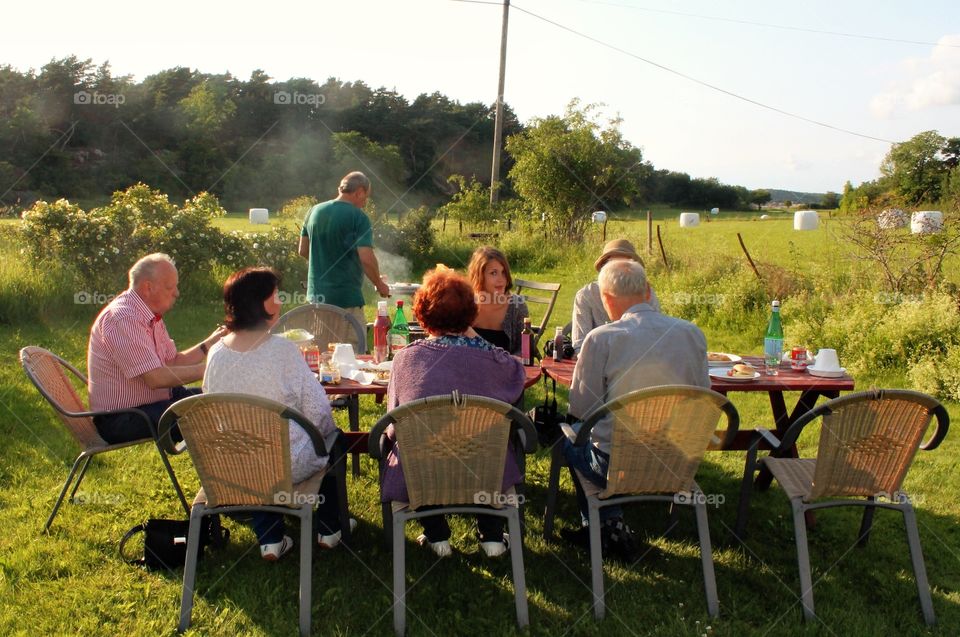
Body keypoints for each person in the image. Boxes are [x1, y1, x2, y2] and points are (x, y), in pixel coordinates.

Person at [563, 259, 708, 558]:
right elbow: (703, 396)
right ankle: (610, 525)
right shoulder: (692, 333)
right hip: (677, 461)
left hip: (616, 466)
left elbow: (582, 409)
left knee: (567, 438)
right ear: (647, 291)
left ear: (606, 299)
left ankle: (602, 526)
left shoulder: (602, 338)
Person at [203, 267, 350, 561]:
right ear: (261, 304)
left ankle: (270, 538)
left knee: (256, 454)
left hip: (231, 463)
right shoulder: (282, 351)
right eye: (275, 295)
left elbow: (211, 410)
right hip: (283, 464)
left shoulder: (216, 354)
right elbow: (317, 410)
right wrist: (325, 436)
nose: (281, 301)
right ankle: (329, 528)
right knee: (337, 440)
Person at [383, 268, 527, 558]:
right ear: (471, 314)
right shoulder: (494, 360)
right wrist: (470, 331)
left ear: (423, 315)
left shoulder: (405, 359)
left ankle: (437, 537)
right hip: (485, 468)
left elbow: (393, 422)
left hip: (423, 473)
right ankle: (493, 538)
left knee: (416, 446)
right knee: (485, 444)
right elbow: (518, 373)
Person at [88, 253, 225, 444]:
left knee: (228, 396)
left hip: (153, 403)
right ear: (147, 288)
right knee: (216, 414)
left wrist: (208, 344)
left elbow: (172, 362)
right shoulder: (123, 318)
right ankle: (225, 470)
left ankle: (234, 469)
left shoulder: (148, 314)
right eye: (170, 287)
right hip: (123, 417)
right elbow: (156, 377)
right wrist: (218, 366)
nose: (176, 293)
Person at [298, 171, 391, 336]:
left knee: (322, 353)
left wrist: (326, 262)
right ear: (359, 191)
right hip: (346, 300)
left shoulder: (314, 211)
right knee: (353, 354)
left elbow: (303, 251)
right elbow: (366, 259)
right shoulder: (358, 217)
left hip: (316, 298)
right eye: (366, 196)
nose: (365, 202)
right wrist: (380, 284)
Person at [571, 239, 661, 354]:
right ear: (603, 268)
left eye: (626, 264)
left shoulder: (646, 293)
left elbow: (656, 334)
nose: (620, 271)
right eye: (614, 264)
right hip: (599, 361)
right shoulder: (586, 295)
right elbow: (580, 344)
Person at [467, 246, 529, 355]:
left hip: (506, 370)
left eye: (503, 272)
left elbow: (525, 350)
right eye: (493, 273)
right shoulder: (465, 304)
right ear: (479, 276)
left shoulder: (516, 306)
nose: (501, 279)